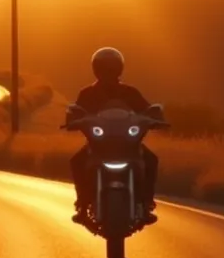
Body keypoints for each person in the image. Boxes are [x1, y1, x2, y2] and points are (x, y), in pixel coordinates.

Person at [66, 47, 160, 229]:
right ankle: (83, 204)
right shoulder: (87, 94)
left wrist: (154, 118)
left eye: (111, 68)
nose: (108, 72)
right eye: (104, 68)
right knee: (76, 161)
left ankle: (147, 203)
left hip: (128, 143)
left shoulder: (130, 92)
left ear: (119, 69)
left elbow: (147, 110)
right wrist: (72, 120)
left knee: (151, 160)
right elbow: (76, 112)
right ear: (96, 69)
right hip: (98, 144)